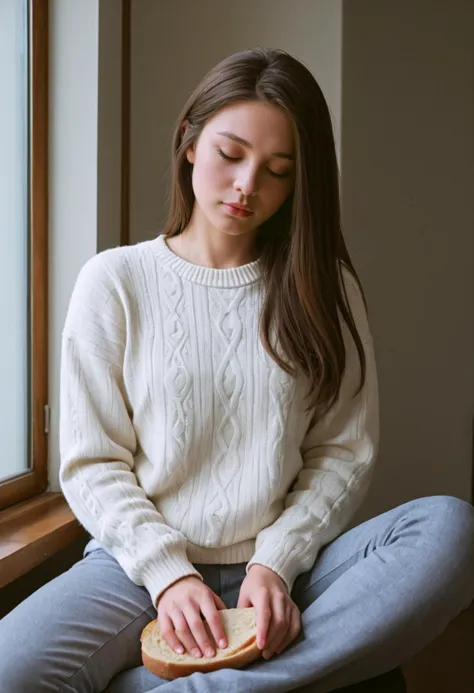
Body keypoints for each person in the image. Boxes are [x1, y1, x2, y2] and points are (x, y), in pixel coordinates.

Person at [0, 47, 473, 693]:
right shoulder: (115, 281)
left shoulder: (324, 287)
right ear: (190, 142)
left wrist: (276, 564)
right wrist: (169, 572)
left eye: (278, 170)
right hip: (137, 569)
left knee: (449, 527)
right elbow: (91, 461)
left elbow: (343, 451)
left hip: (287, 567)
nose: (248, 184)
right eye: (231, 154)